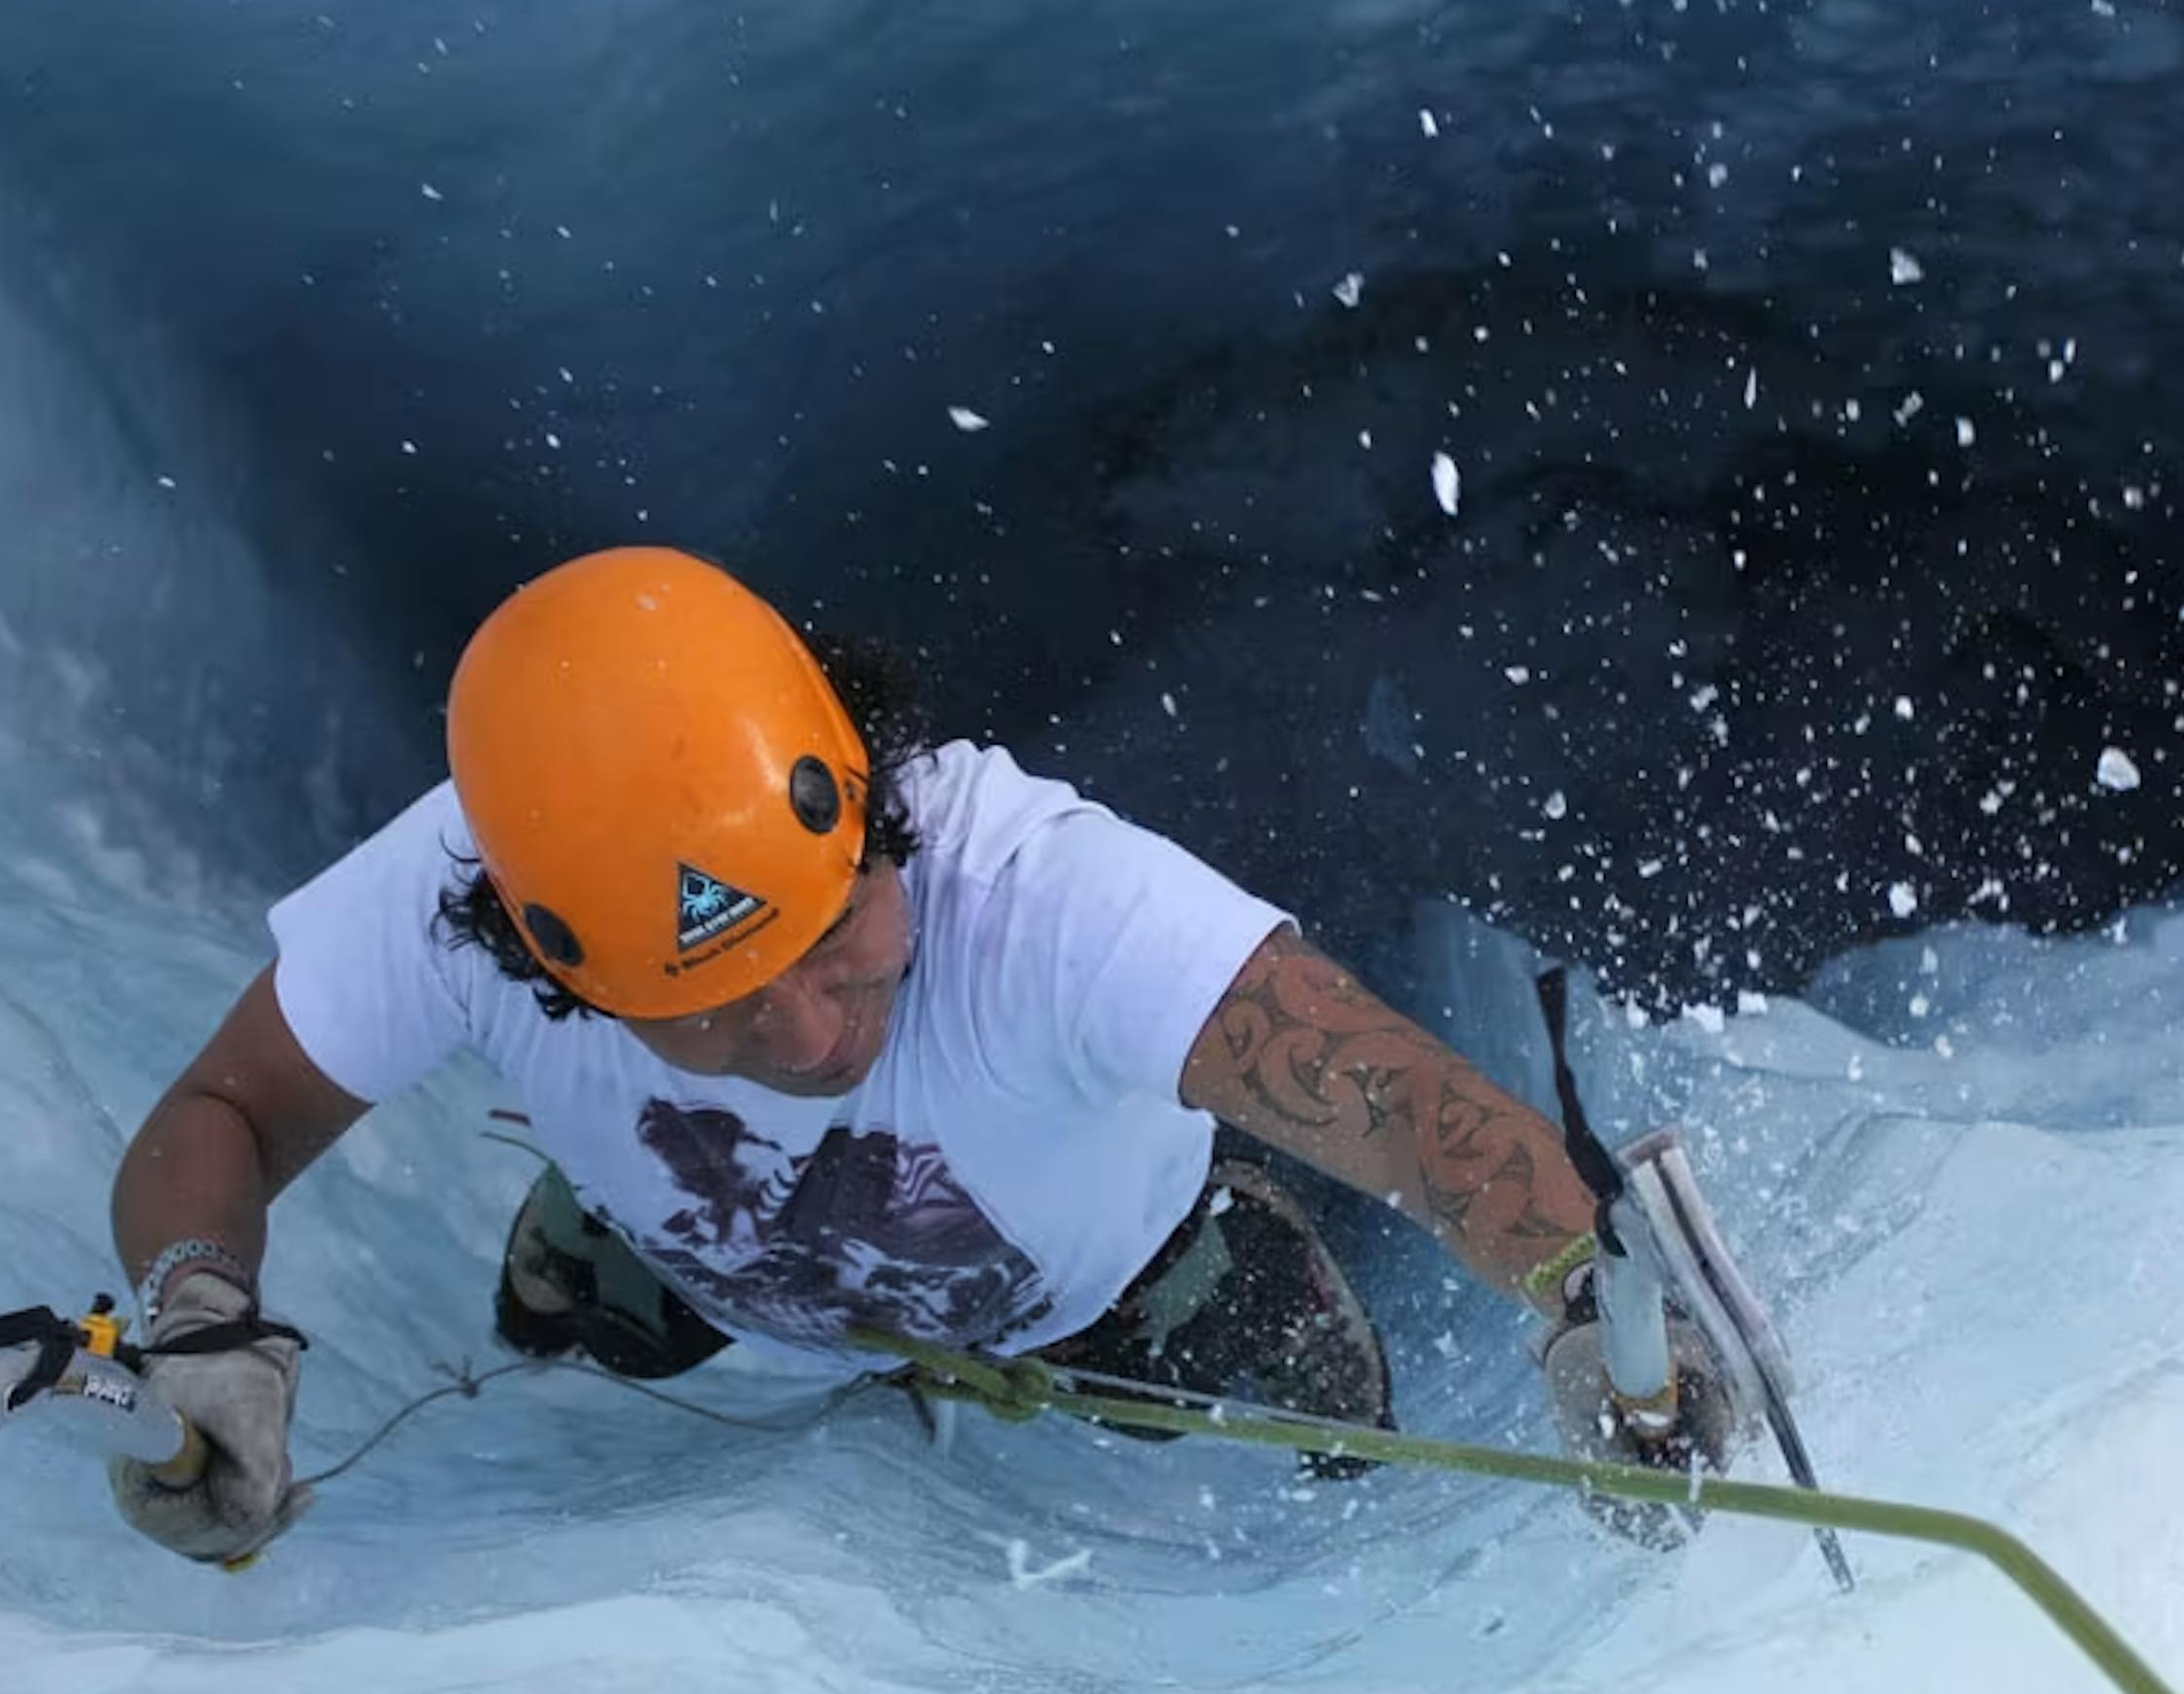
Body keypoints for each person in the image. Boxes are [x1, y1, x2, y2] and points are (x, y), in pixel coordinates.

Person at [102, 546, 1726, 1565]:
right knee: (560, 1325)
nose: (812, 1037)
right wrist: (198, 1322)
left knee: (1341, 1432)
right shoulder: (467, 888)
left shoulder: (1051, 900)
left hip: (1112, 1281)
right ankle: (618, 1249)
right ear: (544, 967)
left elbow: (1402, 1105)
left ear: (874, 815)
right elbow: (226, 1112)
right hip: (715, 1251)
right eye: (723, 1010)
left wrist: (1595, 1298)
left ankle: (1201, 1256)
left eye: (833, 936)